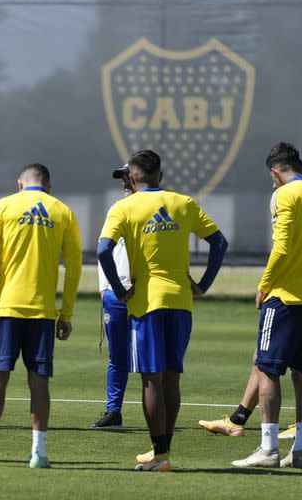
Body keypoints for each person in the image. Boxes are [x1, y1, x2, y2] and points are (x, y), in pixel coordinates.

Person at [98, 150, 228, 472]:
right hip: (181, 301)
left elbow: (102, 250)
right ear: (161, 174)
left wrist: (117, 288)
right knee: (172, 378)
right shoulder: (183, 203)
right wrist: (203, 284)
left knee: (151, 380)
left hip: (148, 303)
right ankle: (162, 452)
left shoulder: (124, 207)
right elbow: (219, 242)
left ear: (132, 177)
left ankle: (160, 456)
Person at [232, 142, 302, 469]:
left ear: (276, 171)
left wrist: (264, 286)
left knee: (267, 368)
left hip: (283, 299)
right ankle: (300, 451)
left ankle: (268, 449)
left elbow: (281, 247)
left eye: (272, 177)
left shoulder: (284, 195)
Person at [0, 163, 82, 468]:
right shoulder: (62, 211)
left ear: (20, 184)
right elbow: (74, 267)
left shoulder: (3, 207)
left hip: (5, 309)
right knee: (39, 382)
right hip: (43, 312)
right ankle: (38, 453)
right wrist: (66, 313)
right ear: (49, 187)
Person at [91, 164, 133, 429]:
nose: (125, 182)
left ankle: (161, 412)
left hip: (146, 294)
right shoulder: (117, 209)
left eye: (129, 176)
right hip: (116, 294)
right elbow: (104, 247)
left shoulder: (157, 207)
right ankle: (113, 411)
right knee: (117, 356)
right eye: (123, 178)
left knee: (154, 360)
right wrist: (104, 285)